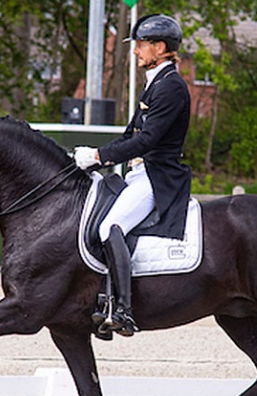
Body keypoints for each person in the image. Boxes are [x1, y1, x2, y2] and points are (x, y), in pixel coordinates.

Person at [74, 14, 191, 337]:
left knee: (111, 227)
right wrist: (94, 158)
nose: (136, 51)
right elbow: (130, 137)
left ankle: (122, 308)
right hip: (140, 173)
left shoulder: (171, 87)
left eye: (141, 45)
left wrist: (98, 156)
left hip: (158, 176)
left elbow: (147, 141)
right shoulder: (154, 84)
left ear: (161, 47)